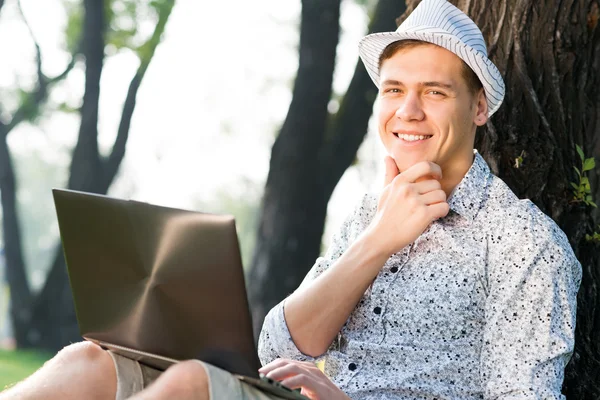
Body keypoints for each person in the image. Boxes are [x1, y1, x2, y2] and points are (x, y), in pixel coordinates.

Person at [0, 0, 581, 399]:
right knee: (88, 363)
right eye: (393, 90)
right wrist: (378, 240)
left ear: (478, 108)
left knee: (187, 386)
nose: (408, 112)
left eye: (434, 92)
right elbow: (278, 344)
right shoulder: (367, 212)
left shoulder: (526, 246)